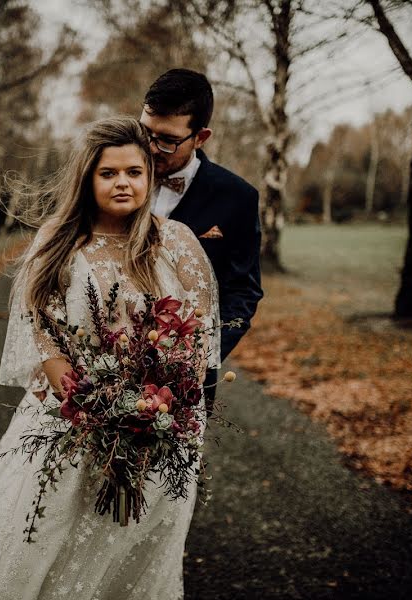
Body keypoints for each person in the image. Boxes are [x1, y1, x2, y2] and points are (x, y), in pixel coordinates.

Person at [0, 117, 220, 599]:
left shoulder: (176, 243)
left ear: (149, 177)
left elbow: (195, 342)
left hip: (159, 432)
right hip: (68, 425)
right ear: (87, 178)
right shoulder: (59, 242)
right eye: (109, 173)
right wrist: (103, 416)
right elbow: (46, 338)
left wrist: (153, 418)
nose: (123, 183)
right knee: (39, 538)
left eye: (134, 172)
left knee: (131, 550)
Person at [139, 68, 264, 408]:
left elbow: (242, 292)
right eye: (144, 132)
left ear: (201, 136)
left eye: (166, 140)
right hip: (103, 364)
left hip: (184, 382)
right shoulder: (113, 178)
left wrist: (197, 357)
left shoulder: (237, 197)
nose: (150, 148)